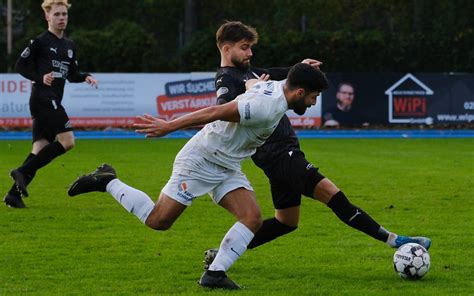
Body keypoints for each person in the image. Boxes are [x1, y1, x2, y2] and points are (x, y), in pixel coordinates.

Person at [67, 63, 329, 290]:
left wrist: (254, 86)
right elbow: (214, 112)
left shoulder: (275, 89)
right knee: (159, 221)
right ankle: (107, 181)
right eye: (313, 97)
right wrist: (169, 125)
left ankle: (214, 275)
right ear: (299, 92)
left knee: (252, 218)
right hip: (202, 159)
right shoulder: (264, 107)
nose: (312, 103)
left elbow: (251, 83)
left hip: (227, 164)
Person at [203, 21, 431, 269]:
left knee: (286, 222)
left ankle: (220, 255)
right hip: (279, 154)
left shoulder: (250, 72)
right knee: (335, 197)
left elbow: (279, 74)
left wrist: (299, 67)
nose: (250, 53)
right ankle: (395, 240)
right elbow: (223, 108)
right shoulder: (227, 78)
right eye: (245, 48)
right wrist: (248, 95)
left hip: (278, 156)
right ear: (226, 49)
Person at [3, 0, 98, 208]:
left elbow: (71, 74)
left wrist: (85, 77)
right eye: (57, 14)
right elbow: (20, 65)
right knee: (68, 141)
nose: (61, 18)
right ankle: (20, 172)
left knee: (40, 149)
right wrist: (38, 77)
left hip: (51, 100)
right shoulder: (40, 42)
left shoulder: (69, 46)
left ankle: (13, 195)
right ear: (47, 17)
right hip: (43, 100)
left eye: (64, 14)